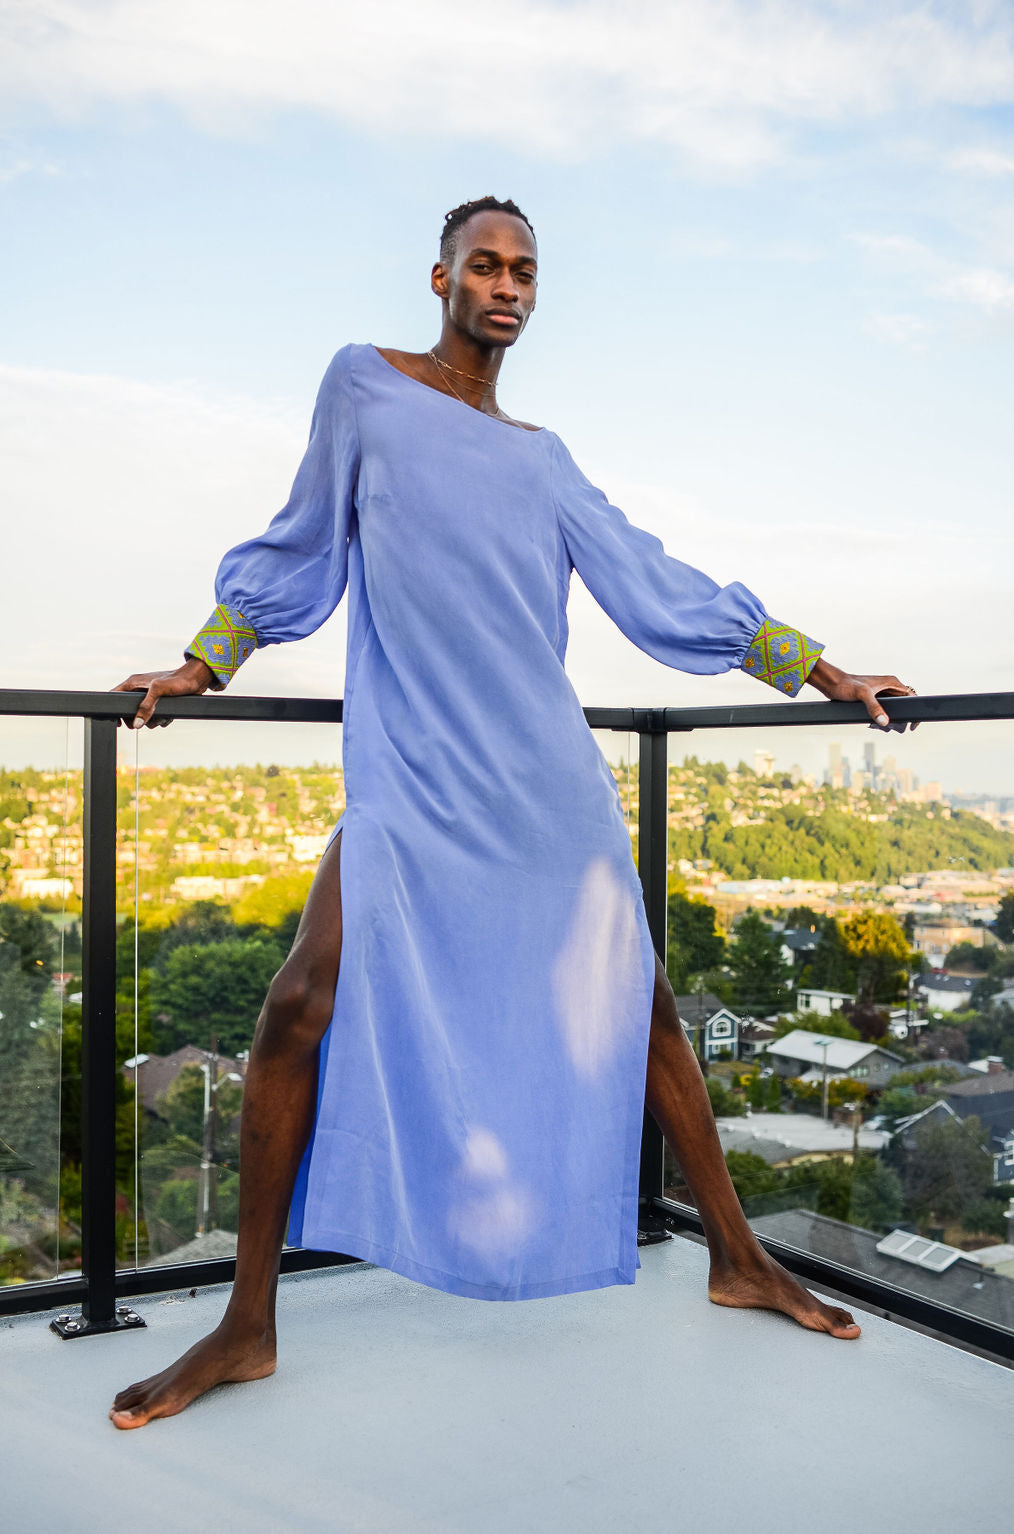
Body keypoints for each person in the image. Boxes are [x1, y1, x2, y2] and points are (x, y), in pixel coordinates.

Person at [109, 196, 913, 1430]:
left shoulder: (542, 458)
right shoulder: (365, 388)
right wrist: (201, 663)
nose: (507, 285)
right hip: (416, 779)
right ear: (440, 277)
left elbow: (658, 582)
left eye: (525, 270)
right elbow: (299, 546)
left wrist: (825, 670)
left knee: (641, 1011)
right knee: (296, 1007)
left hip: (547, 784)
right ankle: (246, 1322)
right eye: (485, 264)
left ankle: (737, 1255)